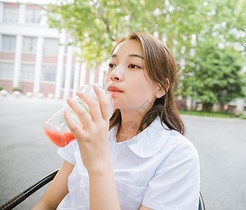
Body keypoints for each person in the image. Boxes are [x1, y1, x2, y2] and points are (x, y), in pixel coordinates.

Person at [33, 32, 200, 210]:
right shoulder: (90, 127)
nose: (115, 74)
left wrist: (98, 163)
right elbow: (47, 204)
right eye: (112, 64)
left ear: (161, 87)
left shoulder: (178, 156)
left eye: (133, 66)